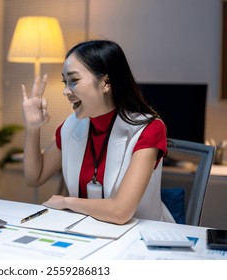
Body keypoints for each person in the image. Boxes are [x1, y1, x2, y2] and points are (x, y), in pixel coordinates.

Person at [21, 40, 175, 225]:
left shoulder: (148, 128)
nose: (65, 91)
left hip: (140, 239)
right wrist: (32, 128)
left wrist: (66, 201)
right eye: (65, 82)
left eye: (74, 81)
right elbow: (34, 177)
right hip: (87, 232)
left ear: (106, 82)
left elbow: (120, 211)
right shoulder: (71, 125)